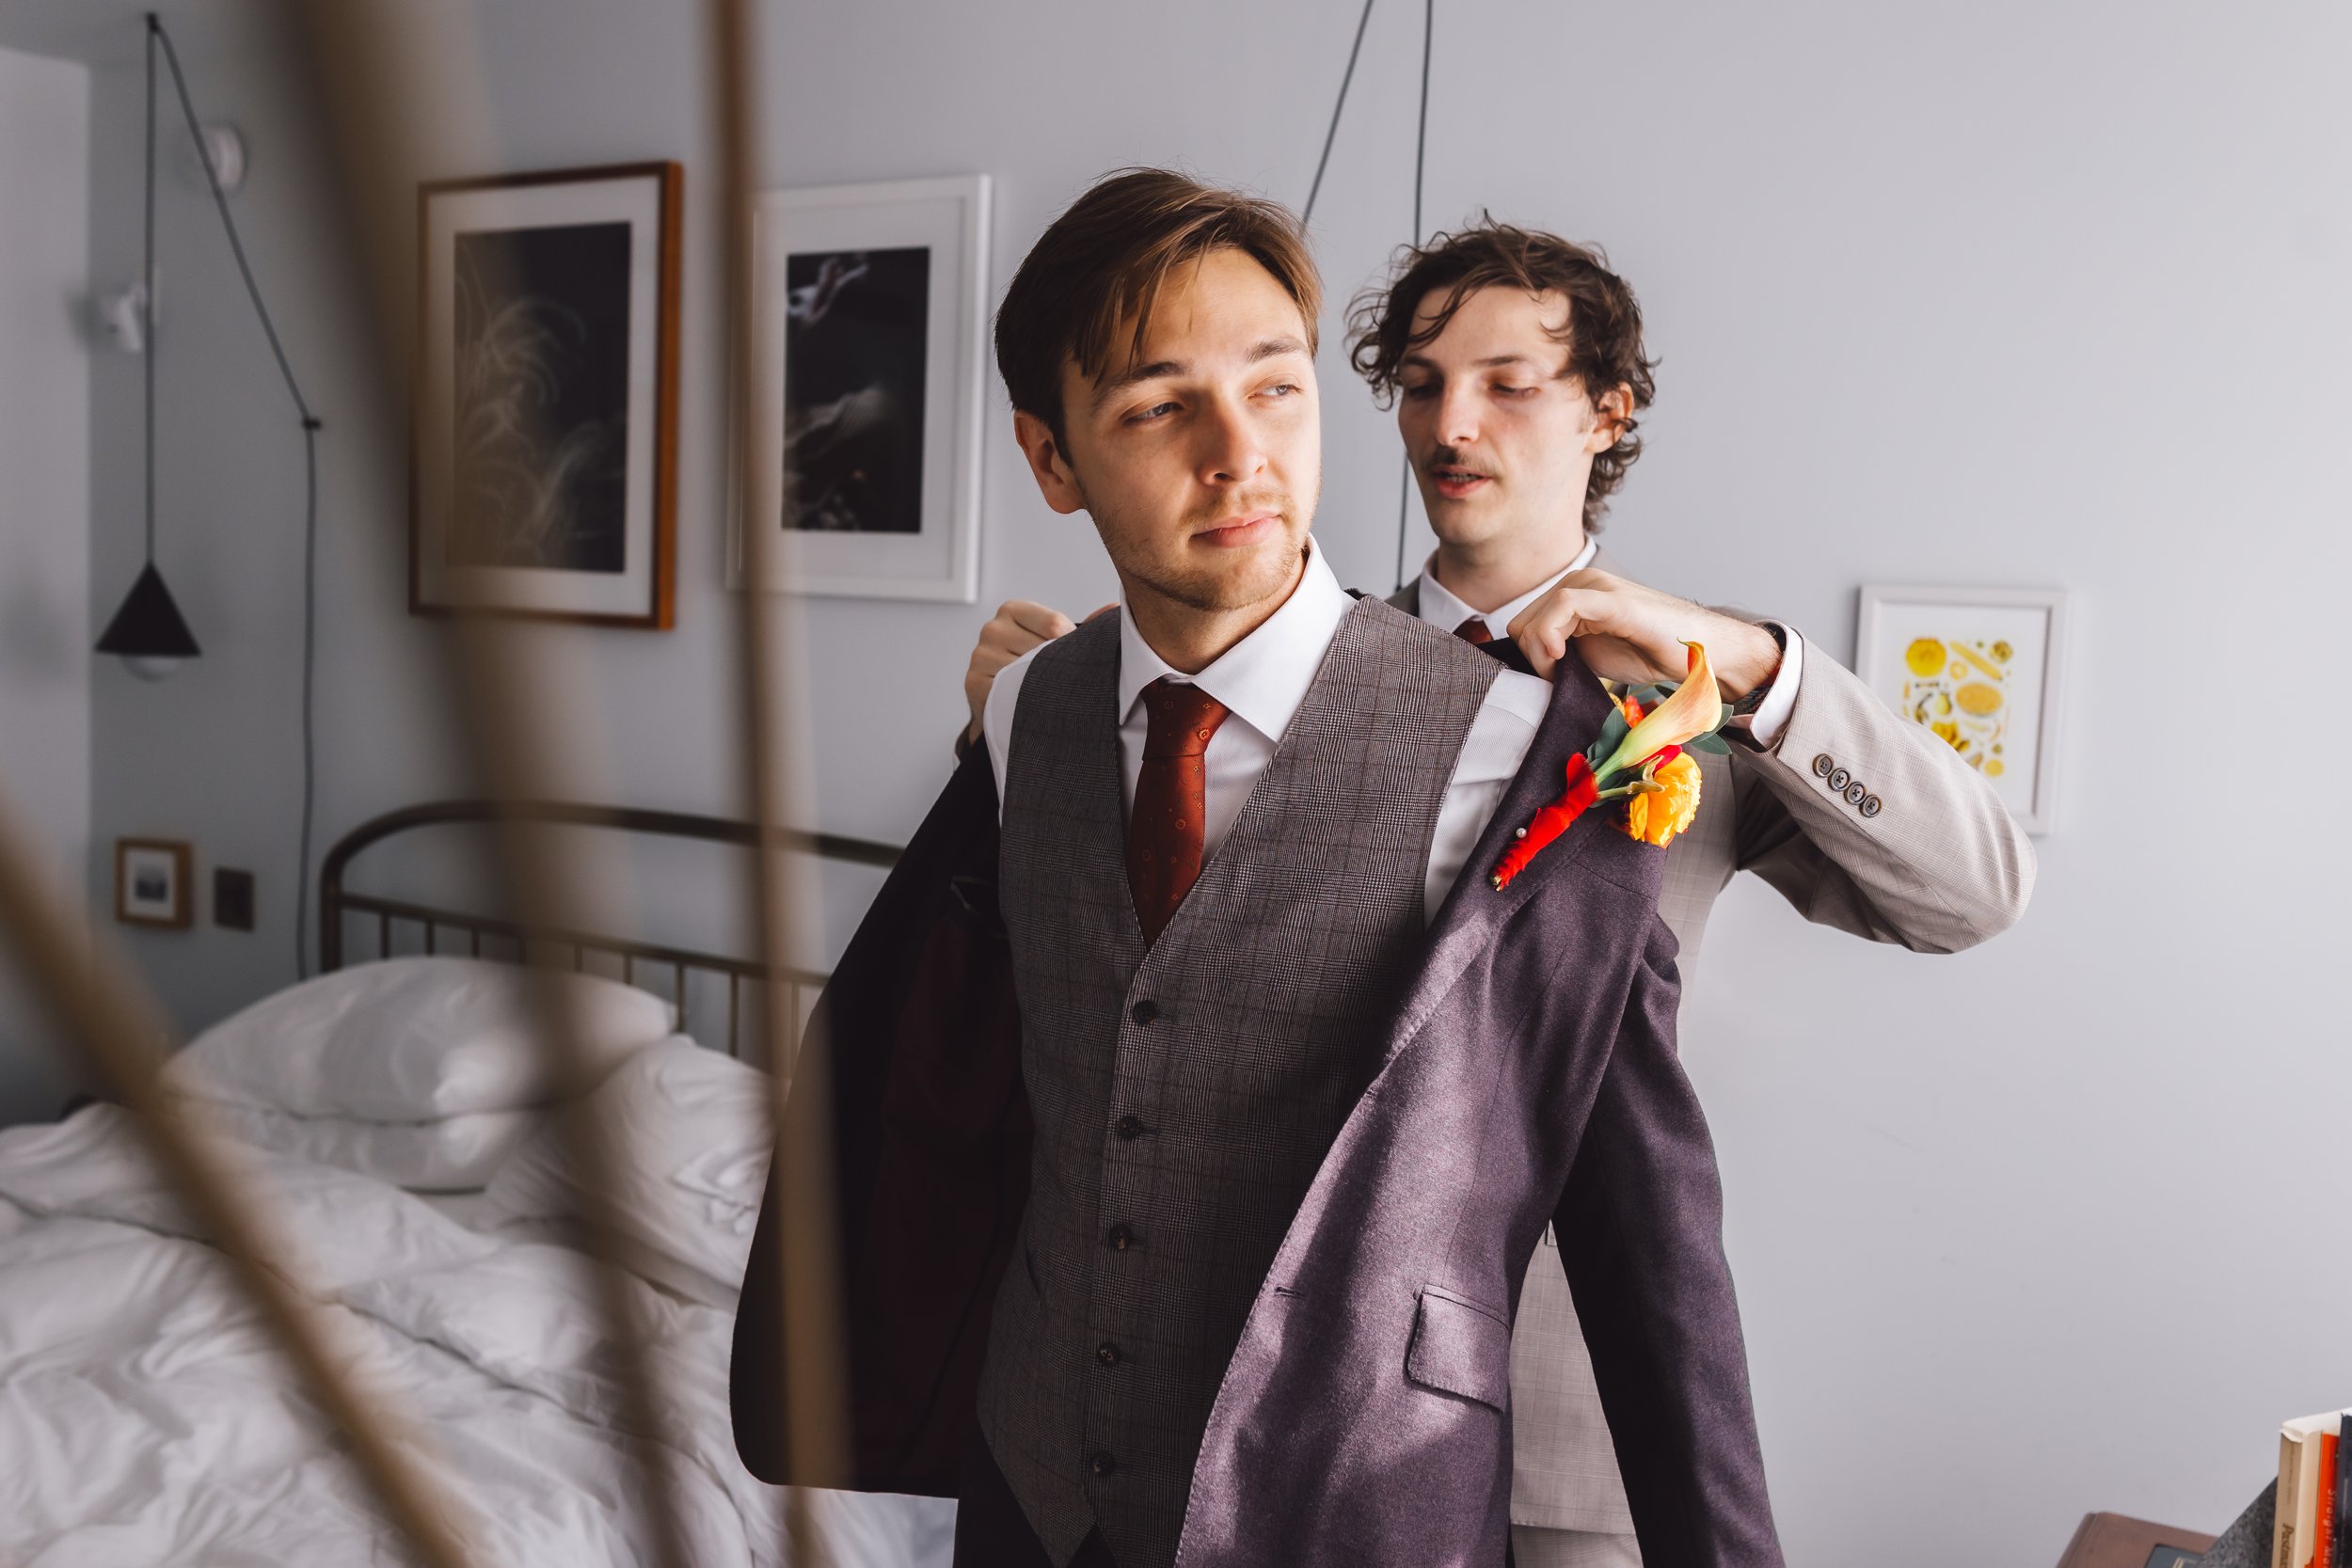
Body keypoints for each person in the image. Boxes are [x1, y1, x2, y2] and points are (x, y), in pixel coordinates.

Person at [734, 169, 1785, 1568]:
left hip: (1360, 1510)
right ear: (1052, 460)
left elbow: (1649, 1241)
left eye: (1277, 388)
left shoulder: (1529, 753)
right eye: (1158, 407)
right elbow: (937, 1080)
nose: (1240, 454)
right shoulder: (1023, 717)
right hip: (1032, 1500)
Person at [956, 219, 2035, 1567]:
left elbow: (1972, 890)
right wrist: (1050, 720)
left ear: (1608, 411)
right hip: (1295, 1405)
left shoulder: (1681, 695)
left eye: (1508, 382)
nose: (1450, 422)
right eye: (1417, 382)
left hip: (1566, 1414)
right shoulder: (1283, 668)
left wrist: (1758, 668)